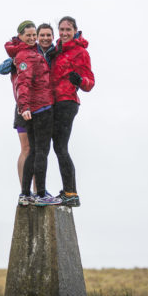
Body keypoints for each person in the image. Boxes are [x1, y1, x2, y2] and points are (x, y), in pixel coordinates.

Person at [4, 21, 62, 206]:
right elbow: (14, 76)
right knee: (30, 149)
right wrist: (24, 105)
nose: (34, 38)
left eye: (34, 36)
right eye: (29, 35)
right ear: (20, 36)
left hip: (37, 105)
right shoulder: (24, 54)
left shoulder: (45, 52)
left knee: (35, 150)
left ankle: (32, 192)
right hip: (28, 106)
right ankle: (30, 191)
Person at [49, 16, 95, 207]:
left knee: (60, 147)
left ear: (75, 30)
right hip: (52, 102)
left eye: (68, 29)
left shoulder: (81, 52)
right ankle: (69, 192)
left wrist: (80, 81)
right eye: (61, 29)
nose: (64, 33)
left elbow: (90, 82)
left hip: (67, 102)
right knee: (57, 148)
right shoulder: (56, 50)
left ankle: (71, 193)